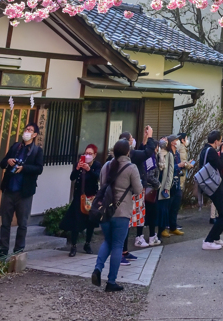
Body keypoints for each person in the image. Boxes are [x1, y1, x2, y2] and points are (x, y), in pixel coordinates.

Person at [91, 138, 142, 292]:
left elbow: (101, 184)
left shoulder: (106, 166)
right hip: (122, 212)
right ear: (128, 152)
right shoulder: (131, 167)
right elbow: (139, 190)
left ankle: (98, 269)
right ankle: (111, 281)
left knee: (107, 241)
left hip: (105, 210)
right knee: (118, 245)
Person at [0, 121, 44, 257]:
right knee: (5, 223)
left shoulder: (37, 151)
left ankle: (18, 251)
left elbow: (39, 169)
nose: (27, 132)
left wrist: (24, 168)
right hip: (9, 189)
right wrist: (8, 161)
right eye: (26, 129)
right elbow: (2, 163)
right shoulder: (15, 147)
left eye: (30, 130)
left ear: (34, 134)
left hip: (24, 192)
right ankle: (3, 251)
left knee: (22, 224)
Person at [118, 125, 155, 255]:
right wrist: (150, 136)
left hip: (122, 195)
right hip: (129, 194)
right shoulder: (130, 157)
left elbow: (141, 153)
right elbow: (147, 153)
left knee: (126, 222)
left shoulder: (118, 157)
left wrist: (144, 140)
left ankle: (124, 251)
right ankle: (121, 252)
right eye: (131, 139)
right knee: (126, 222)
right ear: (127, 143)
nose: (133, 140)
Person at [63, 144, 101, 256]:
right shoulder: (79, 163)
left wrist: (89, 170)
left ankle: (87, 244)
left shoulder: (97, 165)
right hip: (79, 197)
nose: (87, 155)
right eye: (86, 153)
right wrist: (77, 168)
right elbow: (72, 177)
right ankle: (73, 246)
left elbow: (97, 176)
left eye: (90, 153)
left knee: (90, 222)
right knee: (75, 222)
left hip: (91, 198)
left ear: (94, 155)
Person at [201, 129, 223, 250]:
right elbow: (219, 164)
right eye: (220, 140)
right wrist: (222, 152)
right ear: (217, 141)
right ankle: (208, 240)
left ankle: (216, 237)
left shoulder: (205, 150)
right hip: (214, 186)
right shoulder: (212, 151)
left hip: (208, 184)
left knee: (221, 211)